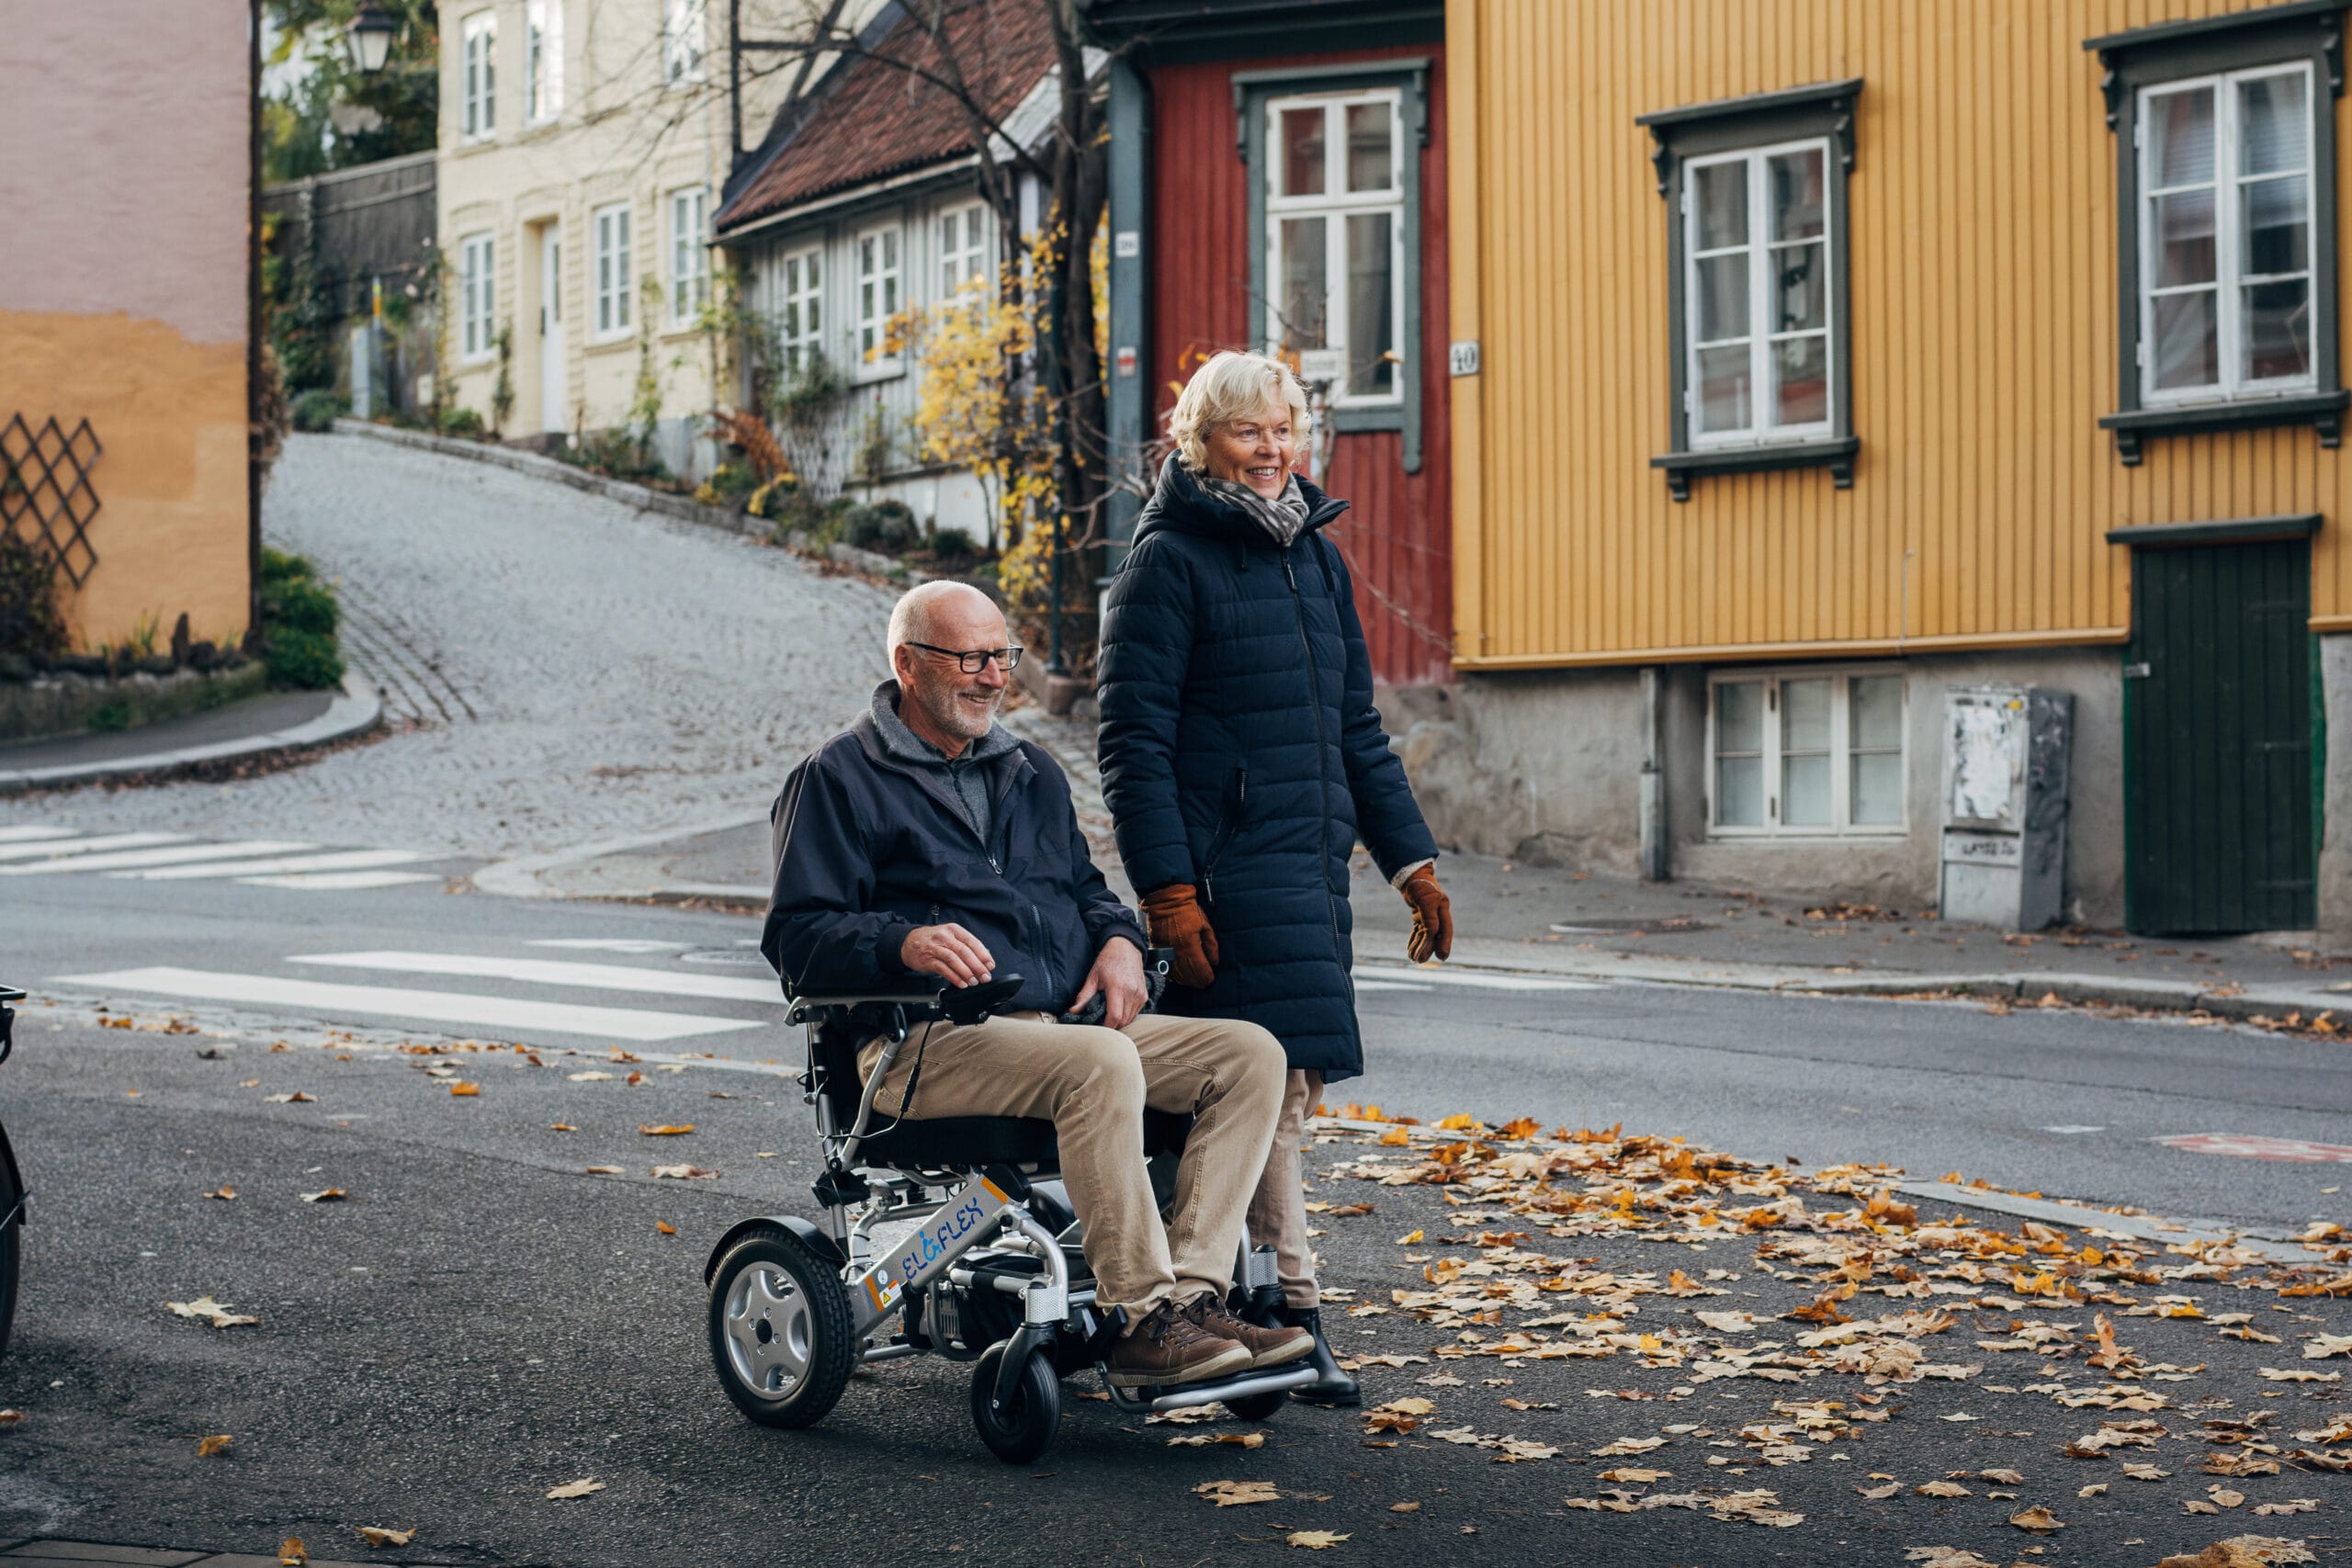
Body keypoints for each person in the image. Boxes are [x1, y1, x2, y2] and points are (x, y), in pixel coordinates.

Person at [763, 580, 1314, 1389]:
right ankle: (1138, 1320)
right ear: (907, 664)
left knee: (1252, 1054)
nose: (994, 677)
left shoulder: (1030, 771)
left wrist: (1123, 941)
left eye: (1002, 657)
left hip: (1059, 1028)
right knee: (1100, 1062)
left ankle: (1191, 1306)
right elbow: (795, 938)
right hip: (921, 1045)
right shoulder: (839, 778)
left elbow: (1087, 894)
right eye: (972, 658)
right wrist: (903, 940)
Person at [1097, 351, 1453, 1406]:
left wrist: (1411, 860)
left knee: (1285, 1102)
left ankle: (1256, 1316)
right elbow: (1131, 745)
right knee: (1273, 1098)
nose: (1271, 452)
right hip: (1224, 880)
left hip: (1310, 871)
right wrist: (1167, 890)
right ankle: (1291, 1315)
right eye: (1248, 433)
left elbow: (1355, 730)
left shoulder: (1315, 559)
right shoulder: (1165, 564)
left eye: (1284, 431)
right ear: (1196, 442)